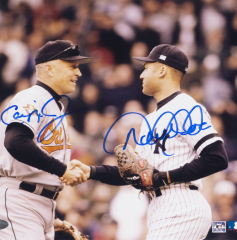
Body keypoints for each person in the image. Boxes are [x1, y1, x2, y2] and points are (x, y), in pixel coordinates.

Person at [63, 44, 228, 240]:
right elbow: (135, 175)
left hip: (182, 204)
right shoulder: (150, 120)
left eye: (146, 68)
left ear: (162, 70)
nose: (141, 75)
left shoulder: (187, 108)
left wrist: (165, 177)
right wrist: (91, 171)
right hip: (159, 208)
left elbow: (217, 157)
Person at [0, 40, 92, 240]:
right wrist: (62, 170)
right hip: (18, 200)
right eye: (72, 66)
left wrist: (47, 217)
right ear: (49, 69)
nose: (79, 73)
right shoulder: (32, 97)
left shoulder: (55, 106)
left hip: (35, 203)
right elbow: (15, 141)